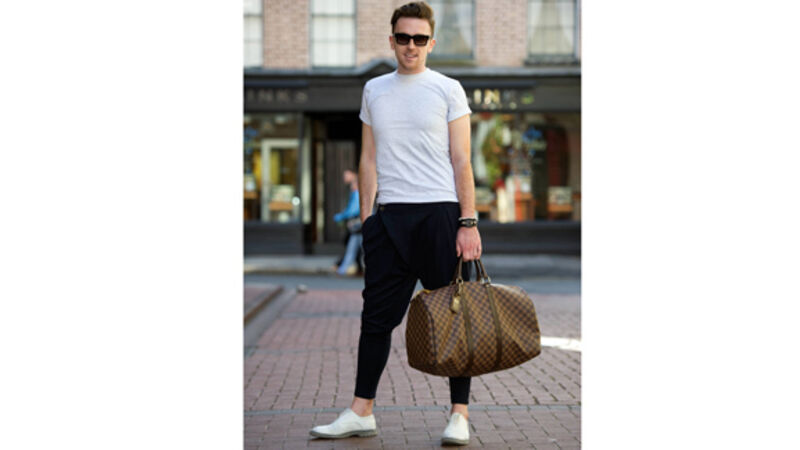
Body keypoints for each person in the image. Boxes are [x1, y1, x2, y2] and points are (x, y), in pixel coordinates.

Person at [310, 2, 482, 446]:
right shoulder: (374, 90)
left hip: (440, 215)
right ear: (392, 40)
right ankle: (361, 411)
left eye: (419, 39)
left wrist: (468, 222)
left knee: (453, 315)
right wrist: (368, 221)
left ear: (431, 43)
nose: (411, 46)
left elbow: (462, 160)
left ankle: (459, 414)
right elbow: (368, 159)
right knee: (375, 320)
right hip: (389, 220)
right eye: (403, 38)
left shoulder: (448, 89)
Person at [332, 169, 363, 276]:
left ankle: (343, 268)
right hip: (359, 226)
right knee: (357, 248)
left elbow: (353, 210)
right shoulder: (355, 192)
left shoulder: (357, 193)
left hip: (358, 225)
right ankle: (344, 268)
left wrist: (340, 216)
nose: (351, 187)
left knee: (354, 248)